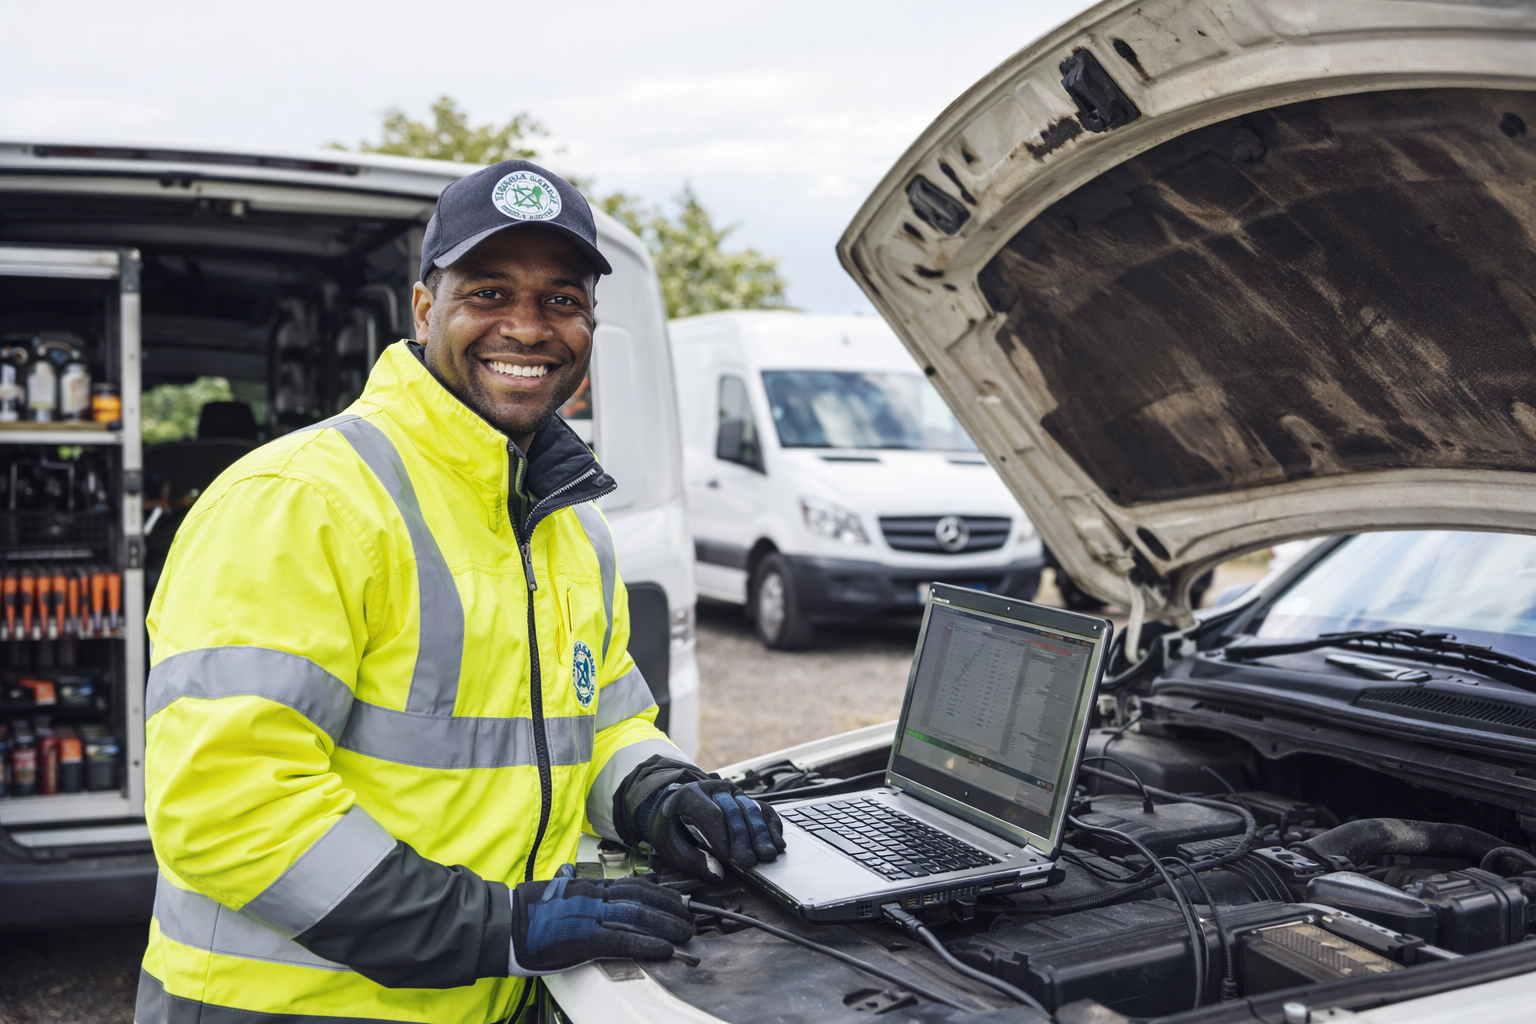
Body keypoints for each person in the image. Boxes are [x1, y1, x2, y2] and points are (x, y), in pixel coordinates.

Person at [135, 160, 785, 1024]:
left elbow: (605, 722)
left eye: (561, 299)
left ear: (590, 323)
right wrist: (499, 927)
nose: (528, 326)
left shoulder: (568, 524)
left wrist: (658, 793)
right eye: (488, 291)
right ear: (424, 309)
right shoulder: (302, 499)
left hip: (486, 997)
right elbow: (230, 804)